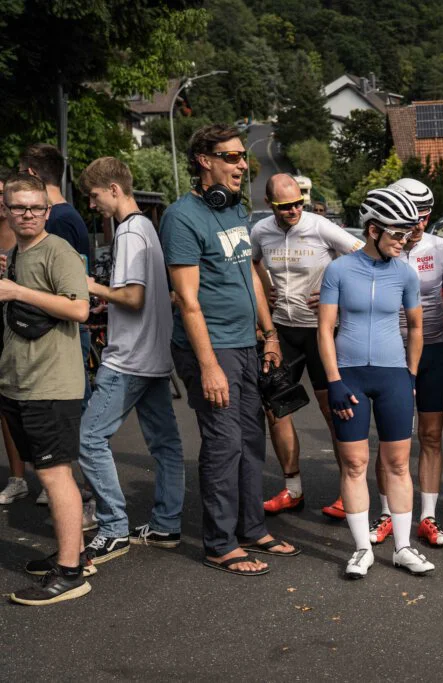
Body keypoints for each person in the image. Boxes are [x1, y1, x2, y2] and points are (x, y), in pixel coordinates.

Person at [162, 124, 298, 577]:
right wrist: (208, 367)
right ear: (205, 159)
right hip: (211, 348)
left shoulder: (235, 210)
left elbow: (251, 278)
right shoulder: (182, 218)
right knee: (223, 443)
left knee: (251, 439)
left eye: (244, 157)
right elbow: (186, 300)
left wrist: (270, 333)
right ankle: (220, 543)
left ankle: (250, 528)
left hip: (246, 343)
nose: (244, 164)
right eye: (234, 157)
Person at [319, 188, 434, 578]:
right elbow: (324, 329)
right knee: (354, 463)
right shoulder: (338, 270)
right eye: (397, 235)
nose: (404, 241)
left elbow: (416, 327)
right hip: (349, 374)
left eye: (407, 234)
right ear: (373, 230)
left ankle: (402, 547)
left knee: (398, 462)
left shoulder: (405, 271)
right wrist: (333, 381)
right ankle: (362, 549)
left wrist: (411, 376)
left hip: (393, 375)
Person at [75, 157, 184, 562]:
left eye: (95, 195)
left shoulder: (129, 233)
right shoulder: (149, 231)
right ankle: (165, 525)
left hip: (128, 358)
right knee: (167, 445)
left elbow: (133, 297)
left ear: (115, 190)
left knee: (89, 439)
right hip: (154, 354)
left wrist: (91, 287)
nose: (92, 203)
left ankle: (113, 528)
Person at [0, 173, 92, 605]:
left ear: (48, 210)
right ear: (7, 210)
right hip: (18, 381)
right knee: (46, 472)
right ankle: (71, 553)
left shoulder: (58, 250)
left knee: (56, 475)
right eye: (20, 207)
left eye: (36, 207)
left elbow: (79, 307)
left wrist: (18, 290)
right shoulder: (14, 254)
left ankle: (72, 573)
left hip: (52, 384)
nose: (29, 214)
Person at [251, 173, 363, 518]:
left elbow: (363, 257)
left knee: (334, 412)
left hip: (321, 332)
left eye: (298, 202)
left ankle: (349, 492)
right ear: (269, 204)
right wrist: (264, 289)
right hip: (283, 330)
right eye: (285, 206)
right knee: (276, 408)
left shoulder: (320, 227)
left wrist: (340, 296)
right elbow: (252, 265)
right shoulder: (260, 231)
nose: (294, 210)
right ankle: (292, 489)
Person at [366, 178, 443, 548]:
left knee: (432, 435)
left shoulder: (442, 249)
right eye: (413, 217)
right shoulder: (383, 248)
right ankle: (388, 513)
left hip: (434, 347)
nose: (419, 224)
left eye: (425, 217)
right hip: (392, 349)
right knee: (392, 440)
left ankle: (428, 516)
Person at [18, 143, 92, 409]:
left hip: (63, 333)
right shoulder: (67, 215)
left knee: (72, 421)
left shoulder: (57, 221)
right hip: (64, 330)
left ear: (32, 173)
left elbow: (62, 287)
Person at [0, 169, 29, 506]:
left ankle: (52, 479)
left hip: (23, 329)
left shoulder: (28, 232)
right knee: (6, 407)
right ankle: (17, 478)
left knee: (28, 404)